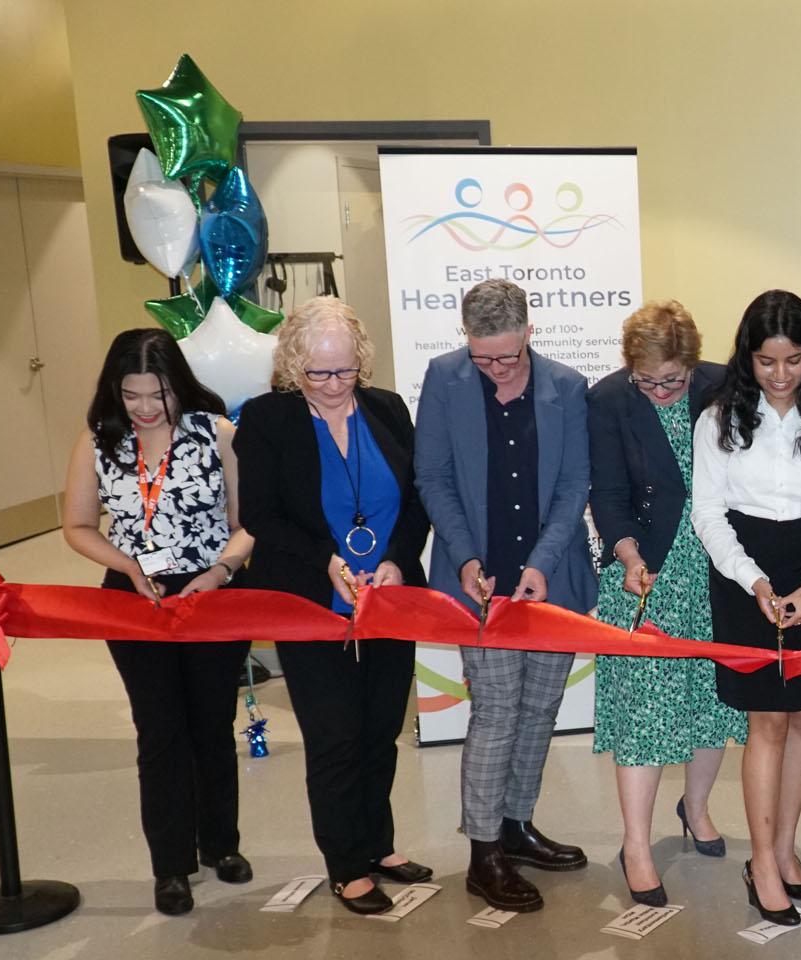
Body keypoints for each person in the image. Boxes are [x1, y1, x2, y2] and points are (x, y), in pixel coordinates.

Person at [235, 297, 433, 915]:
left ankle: (378, 844)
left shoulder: (387, 409)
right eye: (318, 373)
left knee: (380, 729)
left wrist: (398, 557)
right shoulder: (268, 420)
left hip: (389, 598)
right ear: (295, 363)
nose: (332, 384)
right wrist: (328, 559)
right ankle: (346, 862)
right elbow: (262, 517)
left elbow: (418, 496)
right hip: (310, 600)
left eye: (344, 371)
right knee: (335, 734)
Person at [60, 328, 255, 916]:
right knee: (160, 731)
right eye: (131, 395)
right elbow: (77, 526)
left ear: (179, 386)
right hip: (135, 598)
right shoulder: (98, 441)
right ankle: (170, 866)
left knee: (211, 726)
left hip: (210, 592)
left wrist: (221, 570)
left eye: (158, 395)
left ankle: (221, 844)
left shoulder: (218, 433)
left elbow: (250, 523)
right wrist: (128, 566)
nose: (145, 409)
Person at [415, 278, 592, 913]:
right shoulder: (445, 379)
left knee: (541, 708)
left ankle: (517, 825)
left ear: (529, 335)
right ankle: (482, 851)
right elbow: (432, 476)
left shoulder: (567, 387)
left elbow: (575, 485)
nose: (493, 370)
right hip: (481, 582)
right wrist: (465, 557)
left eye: (506, 357)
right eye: (481, 356)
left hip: (551, 580)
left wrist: (543, 562)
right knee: (495, 712)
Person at [692, 289, 801, 926]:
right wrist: (752, 580)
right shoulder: (720, 420)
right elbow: (709, 513)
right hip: (744, 573)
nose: (781, 375)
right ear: (747, 359)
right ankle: (761, 860)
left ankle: (786, 849)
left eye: (792, 361)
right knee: (767, 721)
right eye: (767, 362)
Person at [586, 300, 745, 907]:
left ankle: (696, 807)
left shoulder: (718, 383)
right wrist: (628, 558)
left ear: (691, 364)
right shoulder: (608, 401)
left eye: (671, 380)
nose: (659, 390)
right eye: (647, 379)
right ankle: (635, 844)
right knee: (646, 710)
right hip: (644, 570)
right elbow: (608, 492)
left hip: (713, 570)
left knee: (711, 700)